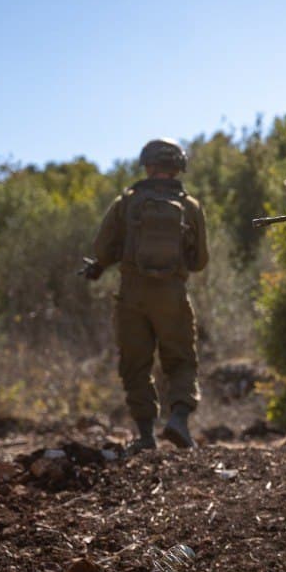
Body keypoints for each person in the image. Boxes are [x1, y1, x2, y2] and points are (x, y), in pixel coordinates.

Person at [83, 138, 208, 451]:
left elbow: (102, 248)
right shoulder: (190, 207)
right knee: (180, 361)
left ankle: (146, 434)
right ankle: (178, 419)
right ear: (178, 167)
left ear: (147, 166)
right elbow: (200, 261)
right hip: (173, 297)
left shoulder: (127, 202)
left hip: (132, 296)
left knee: (136, 364)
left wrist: (99, 266)